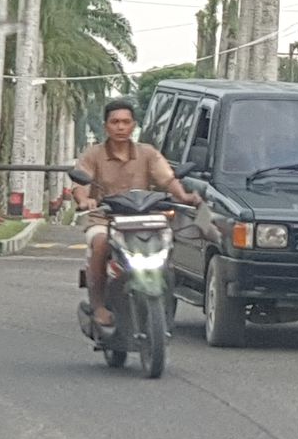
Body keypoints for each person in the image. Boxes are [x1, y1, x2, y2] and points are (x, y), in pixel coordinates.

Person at [72, 99, 201, 329]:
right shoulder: (93, 155)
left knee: (169, 243)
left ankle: (165, 297)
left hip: (144, 219)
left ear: (134, 126)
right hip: (105, 218)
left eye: (125, 122)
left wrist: (184, 197)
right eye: (115, 122)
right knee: (100, 243)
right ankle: (99, 305)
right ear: (106, 126)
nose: (120, 127)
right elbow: (81, 182)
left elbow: (167, 178)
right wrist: (84, 200)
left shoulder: (147, 153)